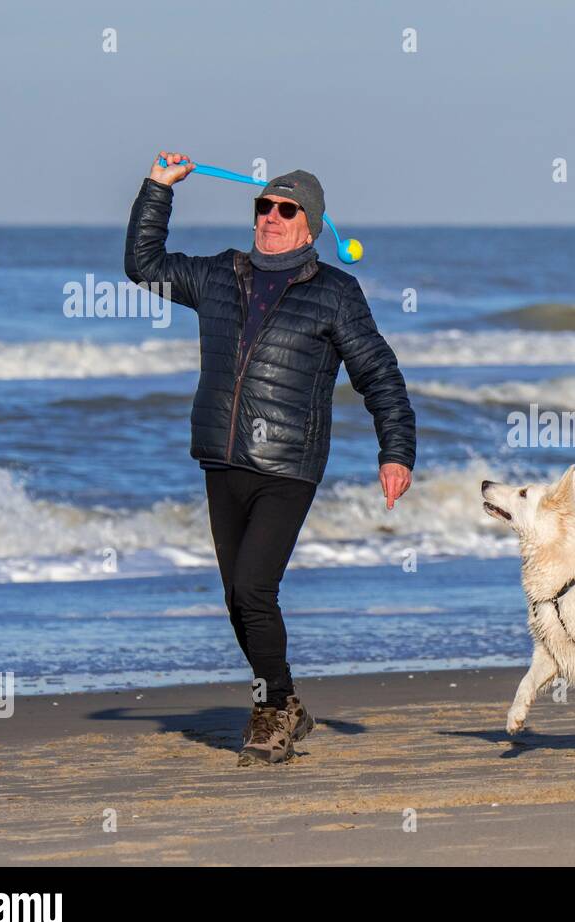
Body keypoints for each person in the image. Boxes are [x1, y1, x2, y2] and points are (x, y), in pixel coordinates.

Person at [125, 152, 416, 766]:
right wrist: (157, 188)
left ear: (310, 226)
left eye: (287, 210)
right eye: (265, 207)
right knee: (237, 597)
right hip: (223, 459)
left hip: (289, 464)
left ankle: (269, 711)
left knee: (256, 587)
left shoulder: (335, 292)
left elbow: (378, 373)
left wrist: (396, 450)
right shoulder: (218, 276)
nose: (272, 218)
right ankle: (284, 699)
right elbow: (143, 266)